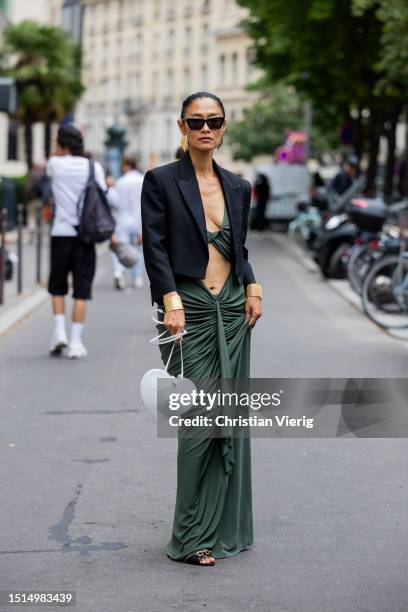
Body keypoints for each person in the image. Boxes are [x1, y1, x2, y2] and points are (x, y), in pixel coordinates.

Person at [141, 91, 262, 566]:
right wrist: (169, 300)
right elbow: (154, 246)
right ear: (182, 128)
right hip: (187, 308)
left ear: (224, 126)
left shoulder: (238, 186)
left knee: (227, 418)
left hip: (232, 311)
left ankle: (224, 526)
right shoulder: (161, 181)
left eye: (214, 121)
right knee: (197, 423)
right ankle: (189, 536)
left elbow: (242, 251)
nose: (205, 129)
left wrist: (252, 288)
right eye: (196, 122)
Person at [47, 124, 108, 358]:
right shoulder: (93, 167)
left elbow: (49, 173)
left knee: (57, 287)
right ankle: (75, 342)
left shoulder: (55, 165)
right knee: (82, 291)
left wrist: (58, 153)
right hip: (86, 236)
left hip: (61, 233)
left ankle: (59, 331)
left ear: (62, 144)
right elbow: (105, 195)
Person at [109, 157, 145, 290]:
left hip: (122, 221)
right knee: (138, 250)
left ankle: (119, 272)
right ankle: (137, 277)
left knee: (120, 249)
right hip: (138, 221)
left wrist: (111, 188)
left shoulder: (120, 182)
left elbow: (114, 202)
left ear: (126, 165)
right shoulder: (142, 180)